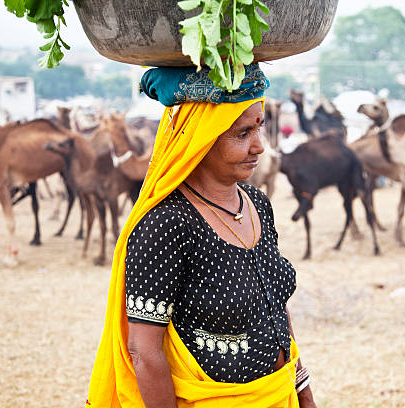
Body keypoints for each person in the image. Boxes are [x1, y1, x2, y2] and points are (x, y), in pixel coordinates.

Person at [86, 64, 316, 407]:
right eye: (242, 134)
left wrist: (304, 394)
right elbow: (144, 351)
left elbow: (276, 313)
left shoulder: (256, 203)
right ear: (200, 137)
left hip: (278, 396)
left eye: (259, 129)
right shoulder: (165, 224)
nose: (259, 147)